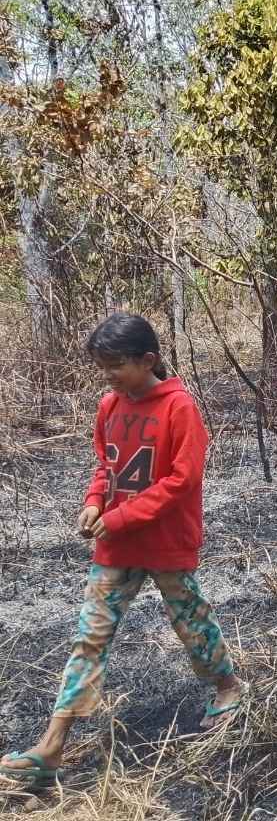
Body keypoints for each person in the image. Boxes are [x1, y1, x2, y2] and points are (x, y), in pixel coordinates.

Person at [0, 314, 242, 793]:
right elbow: (106, 466)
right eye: (102, 366)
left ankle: (227, 687)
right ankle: (52, 746)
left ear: (147, 360)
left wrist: (120, 517)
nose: (108, 375)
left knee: (189, 617)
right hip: (115, 545)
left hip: (165, 540)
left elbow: (182, 480)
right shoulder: (109, 405)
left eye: (116, 365)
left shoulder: (179, 408)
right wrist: (94, 503)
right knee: (90, 636)